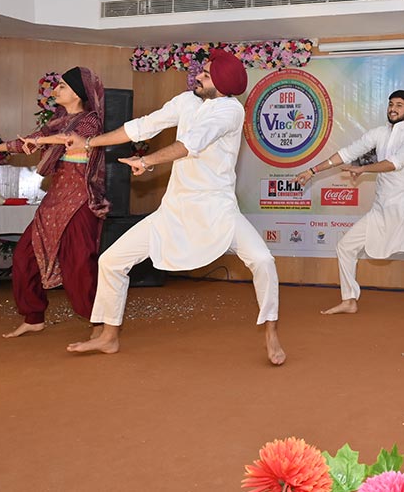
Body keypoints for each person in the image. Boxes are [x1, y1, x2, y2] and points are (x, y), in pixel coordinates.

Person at [64, 50, 285, 365]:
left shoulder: (230, 111)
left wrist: (146, 161)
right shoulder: (186, 102)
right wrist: (88, 143)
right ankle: (109, 336)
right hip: (174, 211)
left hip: (217, 211)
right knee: (111, 260)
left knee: (262, 260)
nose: (198, 76)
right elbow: (142, 127)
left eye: (206, 74)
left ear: (222, 84)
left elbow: (189, 145)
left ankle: (271, 331)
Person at [0, 68, 108, 339]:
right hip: (55, 199)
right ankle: (33, 317)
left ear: (78, 93)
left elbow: (68, 140)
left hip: (80, 200)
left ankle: (100, 323)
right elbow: (24, 144)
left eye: (63, 86)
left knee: (79, 264)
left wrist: (40, 140)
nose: (56, 90)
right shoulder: (58, 120)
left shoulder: (90, 120)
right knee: (24, 256)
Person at [297, 90, 404, 319]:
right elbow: (347, 153)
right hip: (382, 207)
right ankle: (349, 300)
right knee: (345, 247)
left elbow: (395, 163)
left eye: (399, 105)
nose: (393, 109)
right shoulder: (378, 133)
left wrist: (362, 168)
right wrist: (312, 171)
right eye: (391, 104)